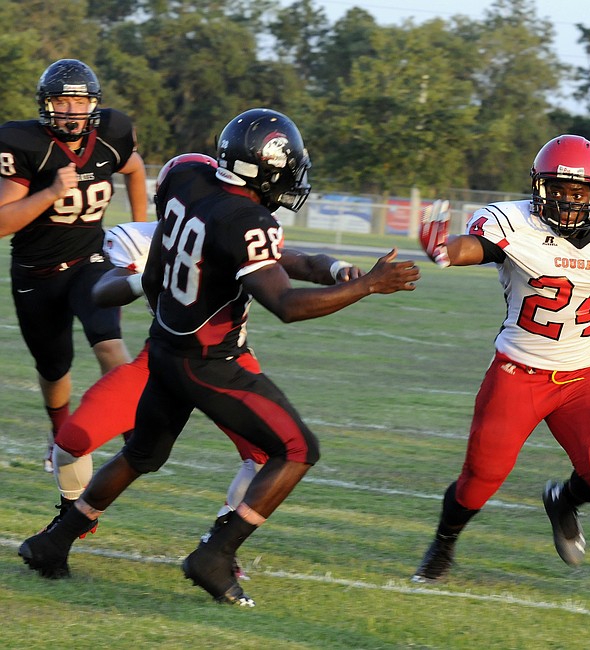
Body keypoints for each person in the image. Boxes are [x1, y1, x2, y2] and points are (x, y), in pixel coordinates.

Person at [19, 108, 421, 607]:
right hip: (209, 361)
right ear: (262, 169)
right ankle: (215, 554)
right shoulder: (247, 218)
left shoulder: (189, 176)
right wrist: (368, 285)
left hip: (165, 348)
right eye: (287, 166)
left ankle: (52, 541)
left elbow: (241, 253)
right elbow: (285, 305)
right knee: (298, 449)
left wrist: (329, 268)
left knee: (141, 455)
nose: (293, 177)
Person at [44, 154, 365, 581]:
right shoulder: (146, 234)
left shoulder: (223, 215)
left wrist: (336, 267)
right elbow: (103, 291)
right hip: (183, 357)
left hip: (215, 355)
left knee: (262, 454)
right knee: (76, 440)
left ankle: (219, 544)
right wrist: (144, 279)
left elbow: (282, 260)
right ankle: (71, 530)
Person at [412, 134, 590, 582]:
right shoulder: (513, 223)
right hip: (518, 373)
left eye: (577, 192)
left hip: (584, 377)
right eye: (556, 189)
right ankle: (443, 543)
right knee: (479, 480)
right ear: (538, 187)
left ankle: (562, 500)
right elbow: (475, 249)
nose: (566, 201)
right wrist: (444, 249)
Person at [0, 58, 148, 473]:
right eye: (60, 102)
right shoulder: (25, 145)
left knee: (108, 341)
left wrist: (139, 234)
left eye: (78, 102)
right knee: (53, 367)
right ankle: (59, 432)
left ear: (94, 105)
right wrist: (49, 193)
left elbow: (135, 170)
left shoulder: (112, 134)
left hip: (91, 259)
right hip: (36, 272)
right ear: (46, 106)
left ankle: (132, 438)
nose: (70, 110)